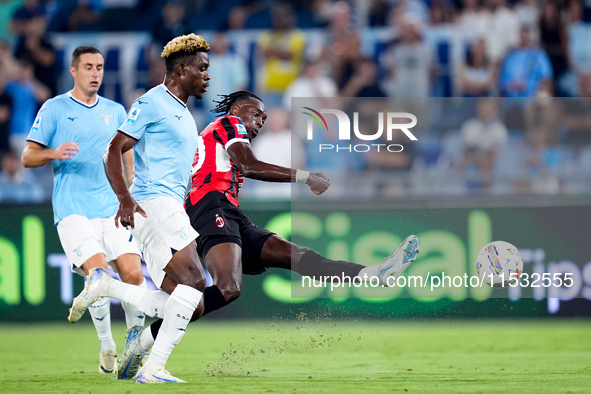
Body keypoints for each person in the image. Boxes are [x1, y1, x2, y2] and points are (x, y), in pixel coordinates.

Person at [116, 91, 421, 380]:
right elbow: (249, 165)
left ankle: (375, 274)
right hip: (210, 207)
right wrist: (304, 176)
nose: (260, 121)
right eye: (256, 113)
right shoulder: (227, 123)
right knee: (227, 287)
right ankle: (143, 340)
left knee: (295, 256)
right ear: (236, 109)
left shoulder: (214, 136)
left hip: (229, 211)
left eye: (263, 118)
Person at [71, 33, 211, 384]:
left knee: (191, 304)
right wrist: (124, 198)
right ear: (181, 69)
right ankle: (153, 368)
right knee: (195, 279)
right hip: (154, 203)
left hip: (167, 206)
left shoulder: (181, 111)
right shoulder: (152, 103)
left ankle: (107, 288)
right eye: (202, 68)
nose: (207, 76)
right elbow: (112, 149)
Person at [20, 46, 146, 374]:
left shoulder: (116, 110)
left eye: (100, 67)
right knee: (99, 275)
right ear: (74, 71)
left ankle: (135, 344)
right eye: (88, 67)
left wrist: (129, 193)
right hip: (73, 208)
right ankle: (107, 345)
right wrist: (52, 152)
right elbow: (27, 157)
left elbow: (126, 155)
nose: (95, 73)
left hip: (111, 208)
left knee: (133, 275)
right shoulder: (54, 108)